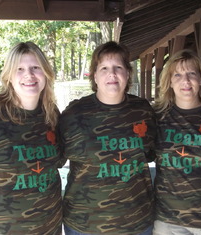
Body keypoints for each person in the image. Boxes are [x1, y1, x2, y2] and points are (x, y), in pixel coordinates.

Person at [59, 41, 156, 235]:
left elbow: (151, 153)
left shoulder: (143, 110)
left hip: (136, 222)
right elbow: (56, 157)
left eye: (118, 67)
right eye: (104, 68)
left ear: (128, 73)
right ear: (94, 75)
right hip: (85, 224)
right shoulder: (74, 114)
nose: (112, 74)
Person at [0, 42, 62, 234]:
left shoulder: (51, 113)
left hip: (50, 225)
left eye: (35, 67)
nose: (29, 75)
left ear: (45, 73)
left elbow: (59, 160)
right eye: (19, 69)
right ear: (9, 76)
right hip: (5, 228)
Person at [152, 49, 201, 235]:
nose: (186, 81)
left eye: (191, 73)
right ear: (169, 82)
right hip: (167, 220)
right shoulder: (157, 117)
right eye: (178, 75)